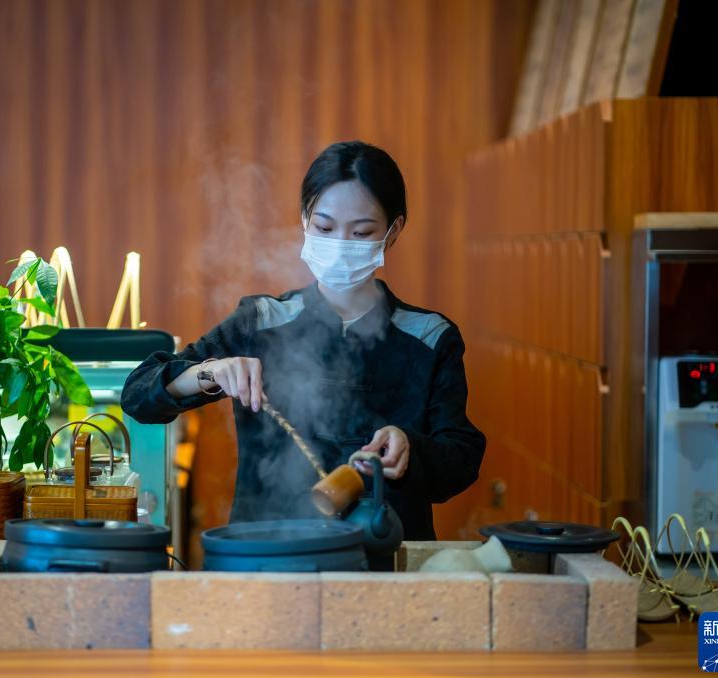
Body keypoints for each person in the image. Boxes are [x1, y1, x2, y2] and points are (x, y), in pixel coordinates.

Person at [121, 141, 485, 540]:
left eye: (361, 232)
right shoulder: (262, 321)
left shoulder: (429, 337)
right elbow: (138, 395)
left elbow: (461, 460)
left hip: (385, 554)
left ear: (392, 231)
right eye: (325, 228)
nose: (340, 245)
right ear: (304, 220)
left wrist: (411, 448)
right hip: (269, 553)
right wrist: (209, 372)